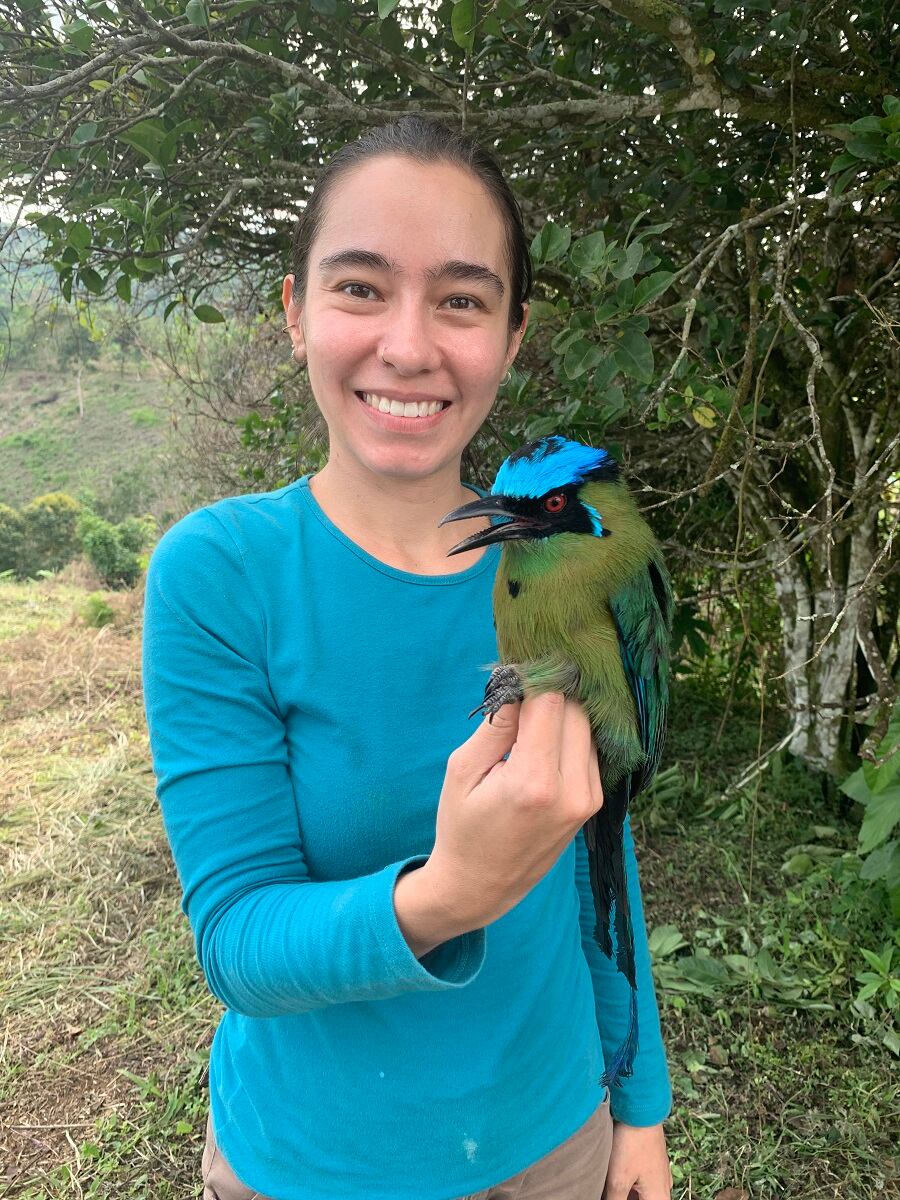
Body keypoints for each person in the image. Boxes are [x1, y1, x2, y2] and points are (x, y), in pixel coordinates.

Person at [142, 114, 673, 1200]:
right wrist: (448, 894)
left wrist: (638, 1103)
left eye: (463, 300)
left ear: (513, 337)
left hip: (555, 1136)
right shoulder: (221, 573)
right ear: (295, 312)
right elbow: (237, 943)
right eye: (359, 287)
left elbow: (601, 855)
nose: (411, 345)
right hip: (315, 1167)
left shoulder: (568, 570)